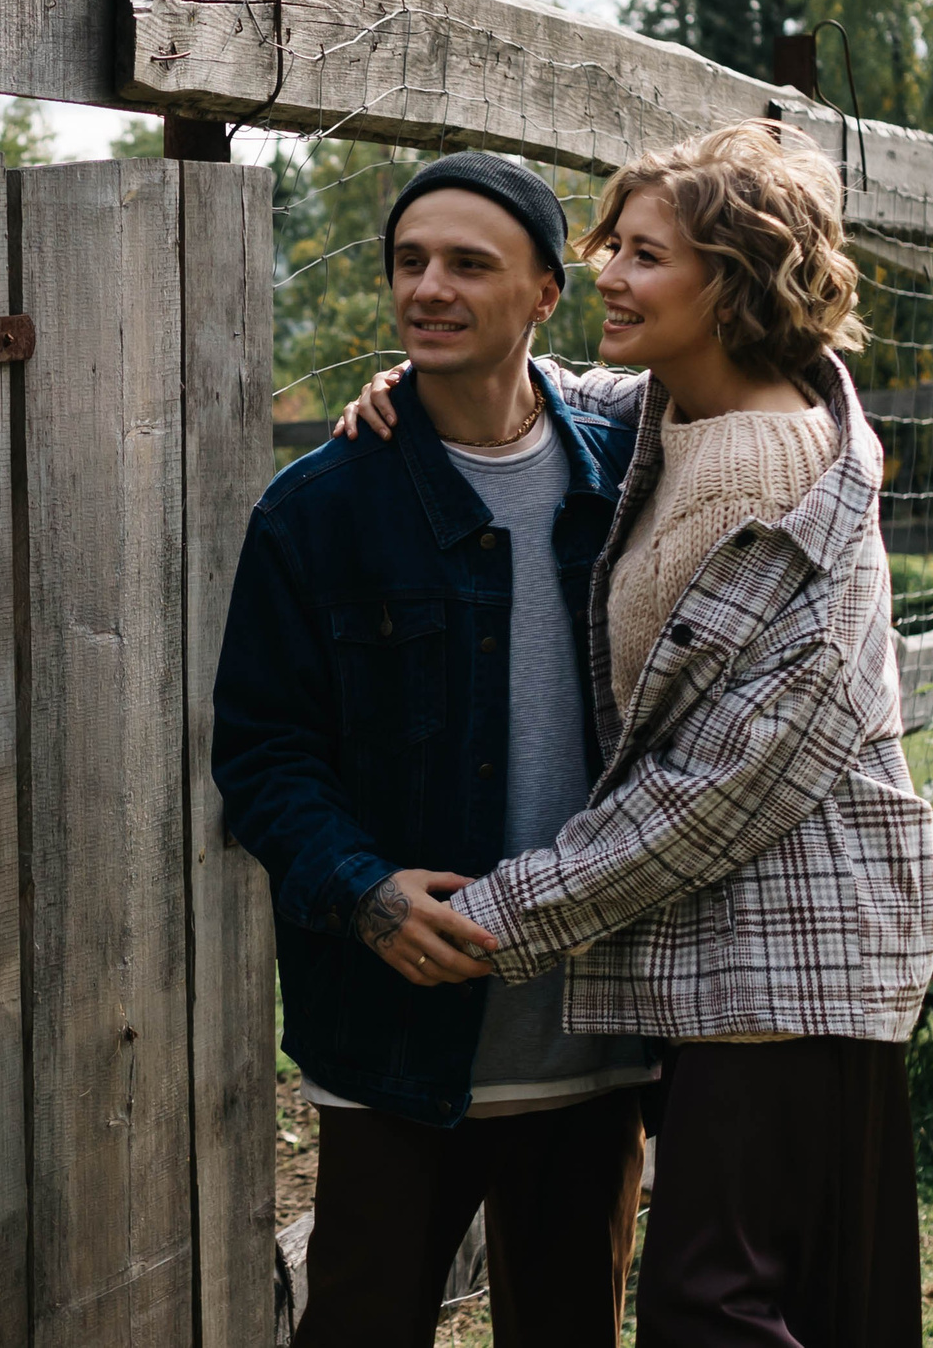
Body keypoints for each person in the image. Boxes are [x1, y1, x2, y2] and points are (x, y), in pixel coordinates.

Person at [336, 122, 933, 1347]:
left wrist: (503, 916)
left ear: (733, 283)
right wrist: (427, 375)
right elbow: (559, 390)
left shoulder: (777, 479)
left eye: (646, 255)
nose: (609, 274)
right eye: (609, 245)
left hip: (794, 949)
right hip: (726, 956)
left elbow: (715, 790)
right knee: (787, 1298)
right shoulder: (675, 413)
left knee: (706, 1307)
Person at [212, 153, 656, 1348]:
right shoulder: (318, 509)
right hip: (398, 1034)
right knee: (361, 1323)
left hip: (597, 1027)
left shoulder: (629, 476)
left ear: (545, 294)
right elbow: (261, 755)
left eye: (469, 263)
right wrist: (363, 896)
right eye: (410, 262)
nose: (429, 288)